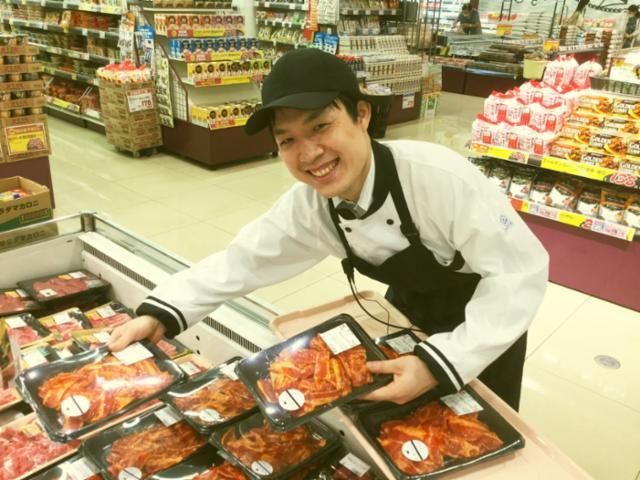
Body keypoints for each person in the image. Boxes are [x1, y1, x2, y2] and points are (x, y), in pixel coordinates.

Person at [108, 49, 548, 411]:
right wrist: (160, 313)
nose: (309, 154)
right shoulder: (312, 205)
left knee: (478, 424)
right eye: (287, 140)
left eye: (320, 126)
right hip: (408, 307)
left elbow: (518, 273)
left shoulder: (439, 178)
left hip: (489, 317)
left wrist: (439, 363)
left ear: (361, 115)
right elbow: (242, 262)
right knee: (410, 427)